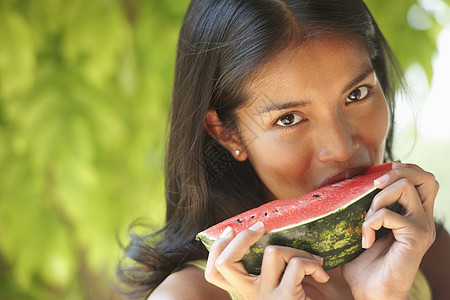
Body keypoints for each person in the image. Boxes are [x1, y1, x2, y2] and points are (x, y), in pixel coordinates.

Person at [118, 0, 450, 299]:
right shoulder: (188, 296)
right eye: (288, 118)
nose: (340, 147)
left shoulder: (426, 250)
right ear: (227, 134)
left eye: (357, 94)